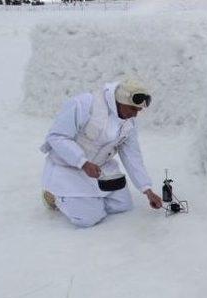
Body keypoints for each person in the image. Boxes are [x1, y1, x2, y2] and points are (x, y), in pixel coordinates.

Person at [40, 78, 163, 227]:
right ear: (120, 101)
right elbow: (57, 137)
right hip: (68, 167)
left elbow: (132, 156)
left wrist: (147, 189)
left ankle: (85, 199)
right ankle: (54, 196)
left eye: (138, 111)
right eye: (133, 109)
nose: (135, 115)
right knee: (88, 218)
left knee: (123, 205)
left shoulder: (128, 122)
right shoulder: (85, 104)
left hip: (100, 169)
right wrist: (82, 162)